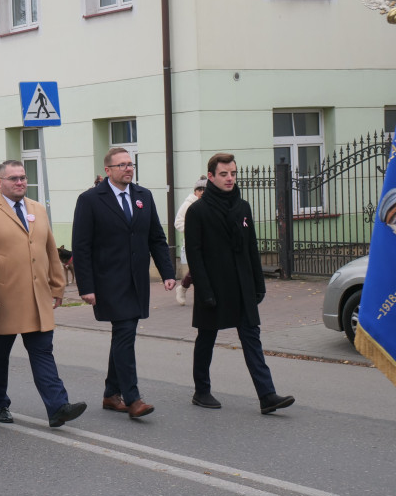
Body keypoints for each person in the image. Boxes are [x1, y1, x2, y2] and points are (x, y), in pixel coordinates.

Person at [0, 160, 88, 428]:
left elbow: (49, 250)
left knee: (43, 351)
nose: (20, 182)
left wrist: (57, 286)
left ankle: (58, 407)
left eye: (23, 177)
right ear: (0, 183)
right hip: (3, 298)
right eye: (13, 179)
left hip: (37, 297)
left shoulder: (37, 209)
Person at [185, 153, 296, 414]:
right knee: (207, 337)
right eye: (224, 174)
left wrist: (259, 282)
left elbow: (251, 247)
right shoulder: (197, 210)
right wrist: (204, 290)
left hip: (242, 284)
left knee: (251, 337)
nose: (230, 178)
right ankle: (201, 390)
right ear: (210, 177)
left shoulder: (242, 207)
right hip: (213, 285)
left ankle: (267, 395)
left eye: (233, 173)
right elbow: (195, 253)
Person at [72, 147, 176, 420]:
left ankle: (110, 393)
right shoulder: (91, 199)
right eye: (122, 165)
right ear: (108, 170)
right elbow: (81, 247)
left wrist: (167, 272)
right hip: (108, 281)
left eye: (130, 164)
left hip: (137, 281)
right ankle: (133, 398)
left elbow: (156, 237)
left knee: (123, 335)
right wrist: (86, 286)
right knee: (125, 332)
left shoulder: (143, 196)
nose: (128, 169)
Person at [173, 178, 208, 306]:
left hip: (209, 243)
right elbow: (178, 222)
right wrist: (193, 231)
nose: (202, 192)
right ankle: (183, 288)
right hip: (193, 243)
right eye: (200, 189)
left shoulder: (210, 203)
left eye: (205, 189)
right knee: (197, 268)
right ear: (195, 191)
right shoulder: (188, 204)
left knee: (206, 268)